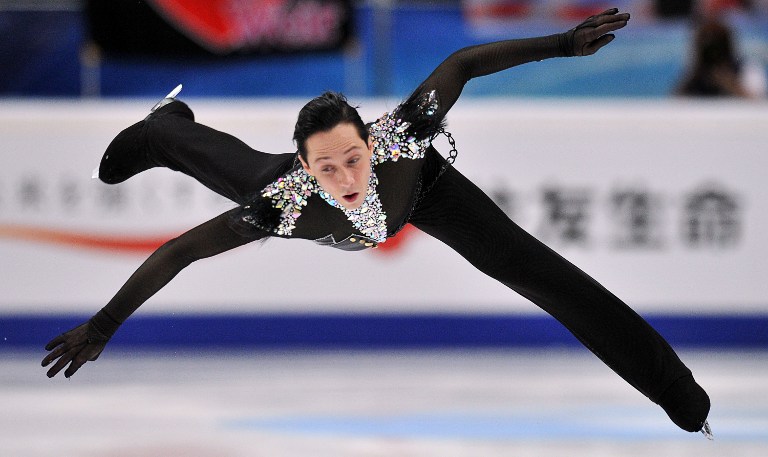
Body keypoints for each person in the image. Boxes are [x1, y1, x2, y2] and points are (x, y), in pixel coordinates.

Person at [41, 8, 712, 437]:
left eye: (353, 158)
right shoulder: (288, 197)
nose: (345, 178)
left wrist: (564, 42)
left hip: (429, 194)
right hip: (280, 187)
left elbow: (462, 63)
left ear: (373, 141)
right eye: (325, 167)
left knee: (537, 270)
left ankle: (678, 394)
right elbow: (181, 250)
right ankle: (164, 130)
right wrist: (104, 327)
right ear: (305, 163)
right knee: (235, 168)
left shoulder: (401, 141)